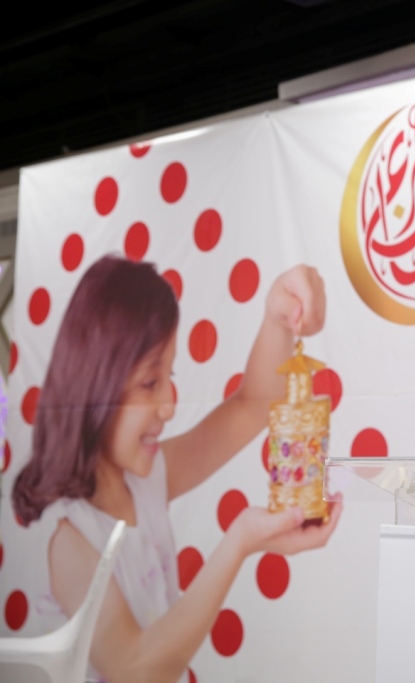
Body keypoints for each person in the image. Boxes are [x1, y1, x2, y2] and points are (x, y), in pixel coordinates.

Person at [12, 255, 341, 683]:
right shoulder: (67, 537)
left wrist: (278, 317)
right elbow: (135, 669)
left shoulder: (143, 481)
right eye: (150, 383)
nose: (168, 405)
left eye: (170, 376)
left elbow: (252, 406)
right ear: (94, 383)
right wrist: (238, 542)